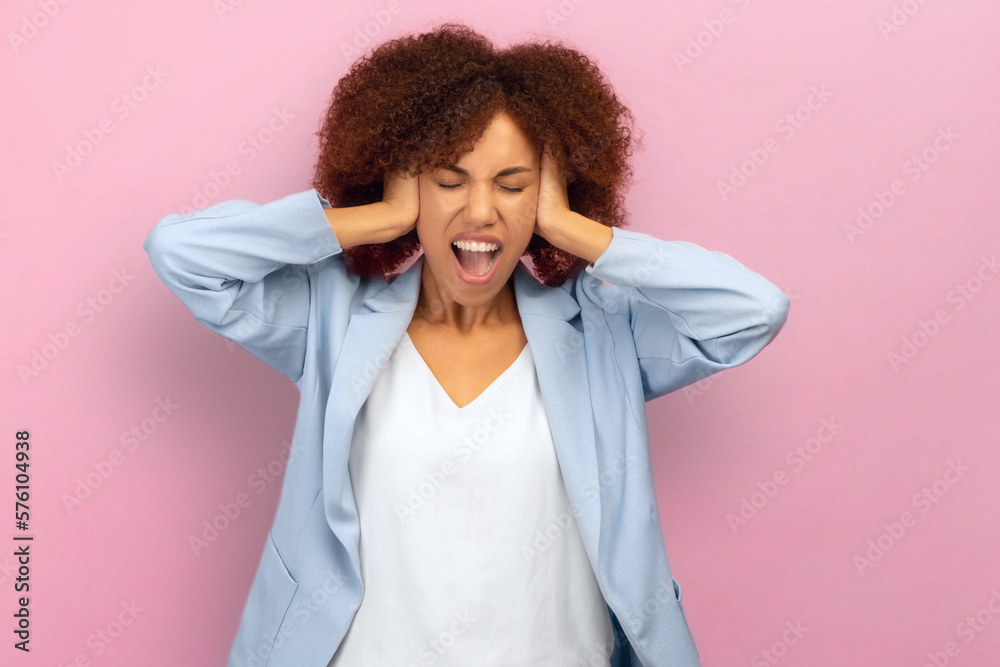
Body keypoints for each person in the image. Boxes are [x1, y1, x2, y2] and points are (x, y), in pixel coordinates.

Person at [143, 22, 789, 667]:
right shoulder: (332, 317)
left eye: (513, 185)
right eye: (450, 180)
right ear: (406, 186)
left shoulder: (602, 334)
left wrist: (572, 229)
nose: (481, 211)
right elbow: (183, 254)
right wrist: (377, 218)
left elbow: (753, 310)